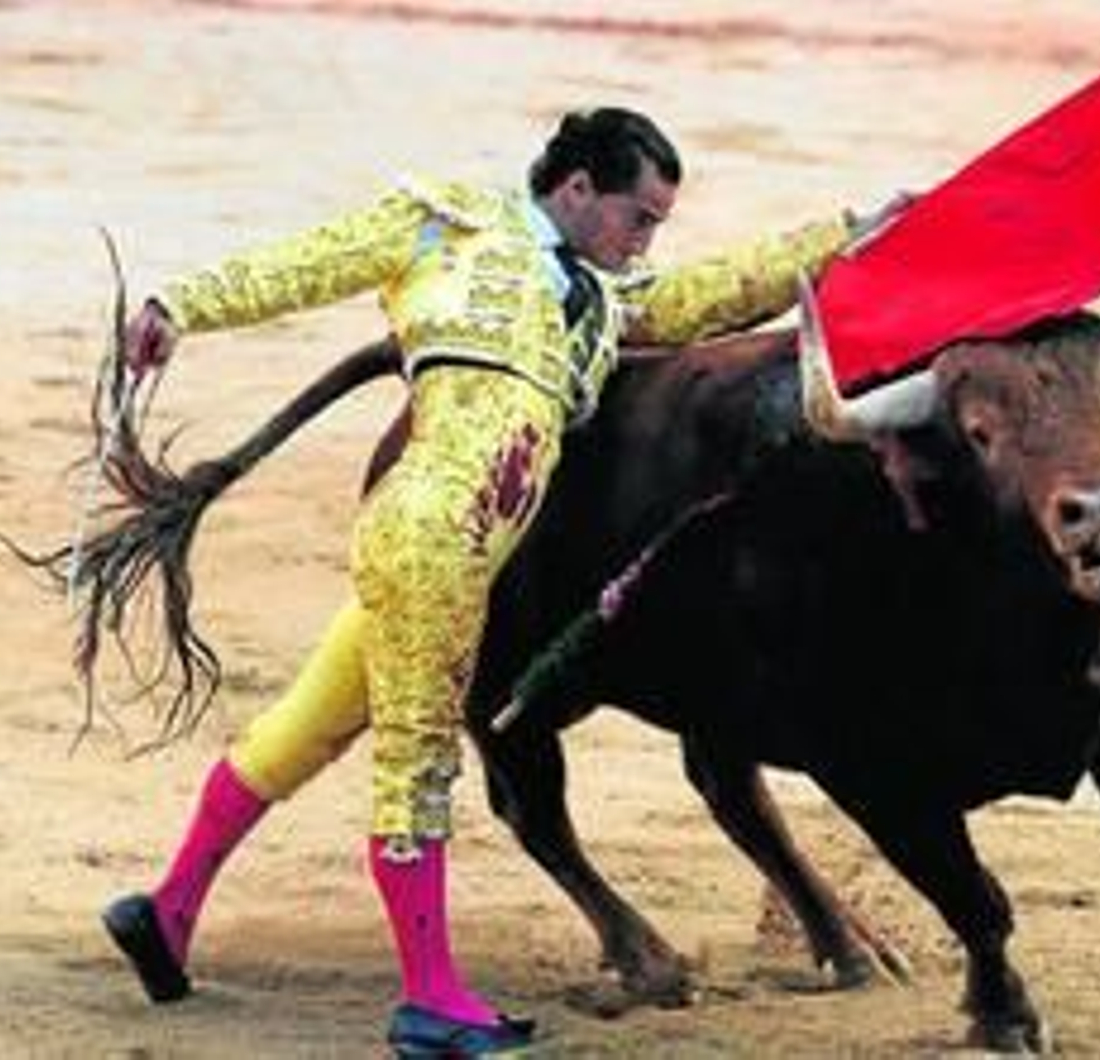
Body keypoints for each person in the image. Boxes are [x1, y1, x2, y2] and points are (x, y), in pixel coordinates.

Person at [100, 106, 892, 1057]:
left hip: (471, 551)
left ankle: (166, 910)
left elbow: (710, 296)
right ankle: (430, 1000)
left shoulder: (602, 301)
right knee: (418, 767)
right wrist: (177, 306)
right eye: (639, 218)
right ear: (576, 189)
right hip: (433, 533)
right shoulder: (448, 224)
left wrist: (851, 234)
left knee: (305, 728)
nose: (646, 242)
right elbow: (307, 262)